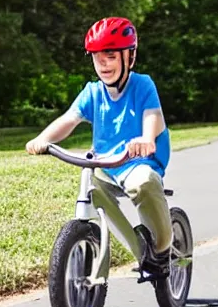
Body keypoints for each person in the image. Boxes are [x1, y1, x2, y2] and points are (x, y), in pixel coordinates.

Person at [26, 17, 173, 277]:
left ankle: (162, 248)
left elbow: (153, 116)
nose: (103, 63)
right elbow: (69, 119)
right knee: (92, 191)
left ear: (130, 57)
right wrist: (43, 139)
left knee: (144, 183)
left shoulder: (142, 85)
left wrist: (147, 139)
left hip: (137, 161)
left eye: (110, 55)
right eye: (96, 56)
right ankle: (133, 249)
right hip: (105, 163)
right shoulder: (93, 92)